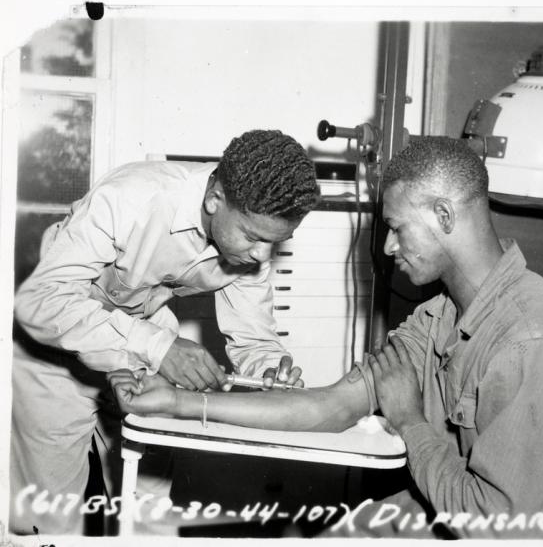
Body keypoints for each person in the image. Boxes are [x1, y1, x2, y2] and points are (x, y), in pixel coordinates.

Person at [109, 137, 543, 539]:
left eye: (395, 227)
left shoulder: (533, 341)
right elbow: (330, 406)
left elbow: (505, 529)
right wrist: (177, 402)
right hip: (444, 505)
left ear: (443, 216)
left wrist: (410, 421)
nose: (389, 247)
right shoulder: (438, 317)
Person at [11, 129, 321, 535]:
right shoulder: (132, 197)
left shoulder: (251, 242)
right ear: (215, 199)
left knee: (149, 516)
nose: (263, 256)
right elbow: (40, 302)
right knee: (46, 522)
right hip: (54, 349)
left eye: (277, 242)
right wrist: (159, 348)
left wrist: (268, 370)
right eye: (253, 237)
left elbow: (253, 337)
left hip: (141, 342)